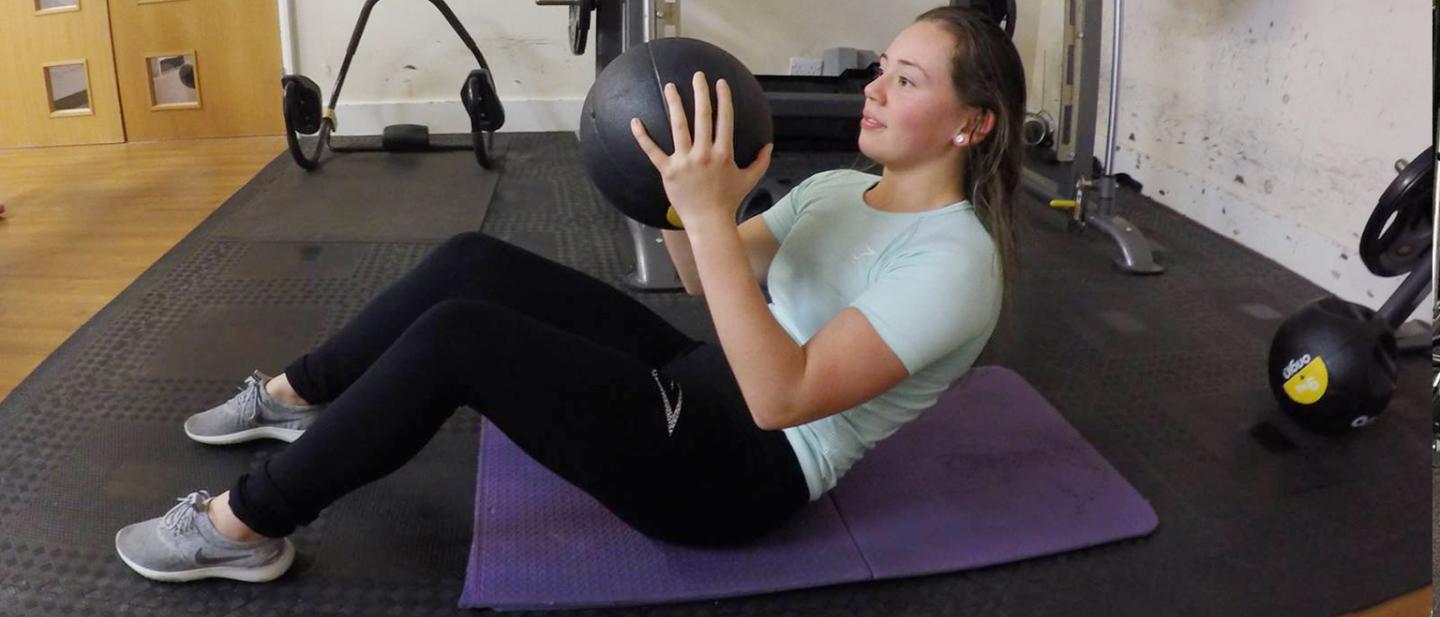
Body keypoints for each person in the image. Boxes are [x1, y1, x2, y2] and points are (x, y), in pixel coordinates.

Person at [114, 5, 1025, 583]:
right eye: (882, 68)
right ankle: (296, 396)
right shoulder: (835, 191)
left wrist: (711, 217)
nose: (872, 89)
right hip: (708, 377)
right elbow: (695, 270)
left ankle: (244, 525)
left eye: (905, 81)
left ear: (971, 122)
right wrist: (672, 181)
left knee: (460, 338)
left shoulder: (954, 262)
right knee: (475, 261)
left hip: (744, 472)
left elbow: (781, 396)